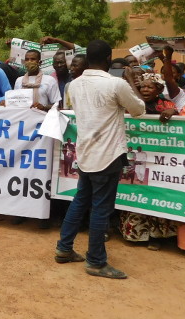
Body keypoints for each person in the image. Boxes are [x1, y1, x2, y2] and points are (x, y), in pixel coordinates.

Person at [55, 40, 146, 279]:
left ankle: (64, 249)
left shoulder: (73, 85)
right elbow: (138, 109)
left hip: (85, 152)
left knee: (80, 201)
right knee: (100, 209)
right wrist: (127, 80)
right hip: (108, 155)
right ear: (108, 58)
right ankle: (96, 261)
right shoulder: (116, 83)